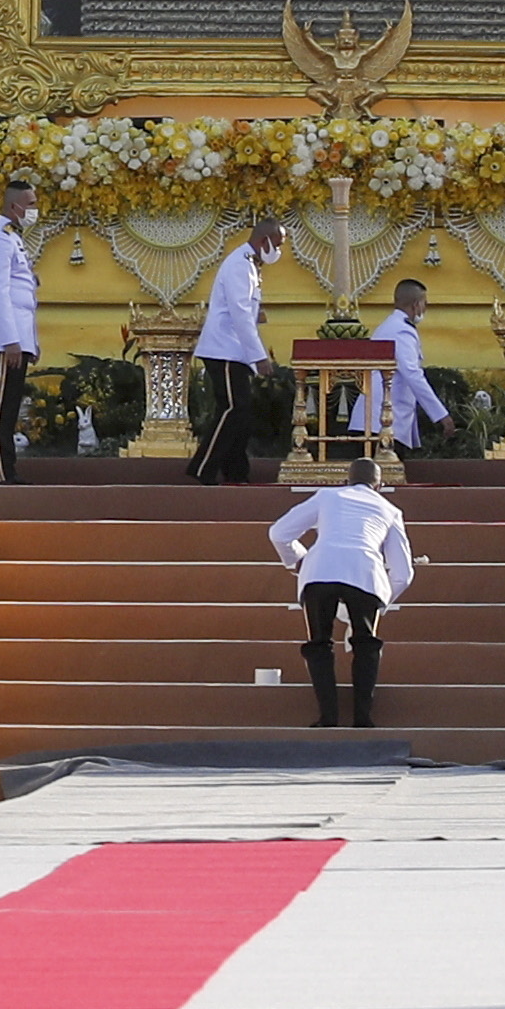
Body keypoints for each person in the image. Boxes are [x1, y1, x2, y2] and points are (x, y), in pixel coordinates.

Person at [270, 455, 414, 728]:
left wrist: (298, 559)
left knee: (319, 644)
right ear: (379, 486)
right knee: (366, 644)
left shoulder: (327, 496)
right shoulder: (390, 510)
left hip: (320, 571)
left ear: (345, 481)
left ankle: (328, 717)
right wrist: (381, 601)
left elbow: (279, 533)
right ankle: (363, 718)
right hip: (365, 573)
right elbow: (403, 573)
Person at [191, 216, 287, 483]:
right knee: (233, 410)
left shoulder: (250, 265)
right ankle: (203, 469)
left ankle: (235, 472)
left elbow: (245, 309)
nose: (278, 251)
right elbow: (240, 314)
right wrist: (260, 357)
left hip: (234, 352)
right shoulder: (240, 265)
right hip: (224, 351)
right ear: (263, 240)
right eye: (276, 244)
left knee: (240, 413)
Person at [0, 178, 44, 448]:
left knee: (11, 406)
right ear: (15, 206)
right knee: (1, 408)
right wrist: (10, 340)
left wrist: (31, 343)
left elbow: (25, 298)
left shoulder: (13, 238)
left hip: (19, 337)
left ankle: (6, 466)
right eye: (31, 204)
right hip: (8, 341)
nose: (35, 209)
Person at [372, 275, 443, 464]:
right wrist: (441, 415)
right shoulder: (401, 330)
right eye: (424, 304)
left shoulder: (390, 326)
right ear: (416, 305)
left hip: (379, 419)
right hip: (382, 421)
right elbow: (413, 375)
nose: (424, 309)